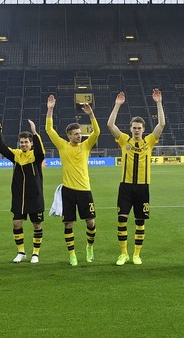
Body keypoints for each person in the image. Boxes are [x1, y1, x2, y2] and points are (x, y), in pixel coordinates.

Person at [106, 89, 167, 266]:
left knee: (140, 222)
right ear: (130, 129)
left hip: (142, 187)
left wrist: (158, 103)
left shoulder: (150, 141)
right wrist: (117, 105)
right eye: (134, 128)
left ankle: (136, 254)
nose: (137, 130)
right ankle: (123, 254)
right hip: (125, 187)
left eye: (139, 128)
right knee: (122, 220)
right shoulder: (124, 140)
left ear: (143, 129)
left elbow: (161, 124)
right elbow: (110, 125)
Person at [45, 94, 101, 267]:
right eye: (76, 134)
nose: (80, 136)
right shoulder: (63, 146)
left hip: (85, 190)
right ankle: (72, 254)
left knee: (91, 222)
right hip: (68, 191)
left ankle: (89, 247)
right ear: (69, 135)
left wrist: (91, 115)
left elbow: (97, 132)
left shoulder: (86, 146)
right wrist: (50, 109)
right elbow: (49, 130)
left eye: (80, 133)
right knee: (68, 224)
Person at [0, 117, 46, 264]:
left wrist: (34, 133)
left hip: (35, 197)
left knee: (37, 225)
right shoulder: (16, 155)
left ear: (31, 144)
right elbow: (2, 147)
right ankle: (21, 252)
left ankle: (35, 253)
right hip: (19, 197)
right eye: (21, 142)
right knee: (17, 223)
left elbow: (41, 150)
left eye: (26, 142)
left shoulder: (36, 156)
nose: (23, 144)